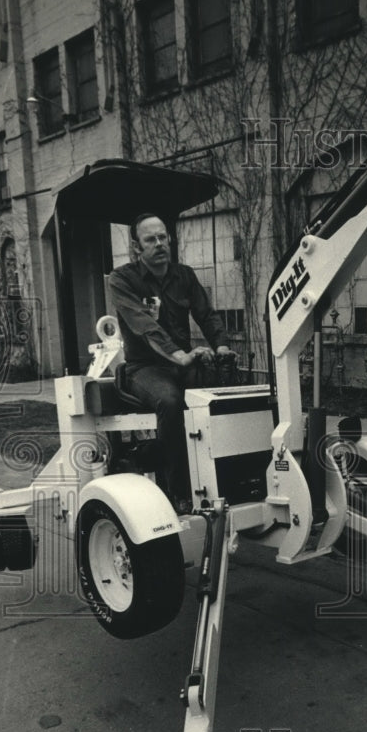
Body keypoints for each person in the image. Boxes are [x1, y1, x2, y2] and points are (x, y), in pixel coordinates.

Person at [109, 212, 234, 514]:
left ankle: (228, 479)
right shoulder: (122, 279)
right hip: (144, 369)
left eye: (163, 237)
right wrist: (180, 356)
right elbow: (144, 326)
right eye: (150, 239)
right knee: (171, 401)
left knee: (221, 396)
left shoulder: (184, 276)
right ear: (137, 248)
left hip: (183, 364)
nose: (159, 244)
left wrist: (222, 345)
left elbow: (206, 314)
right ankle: (177, 492)